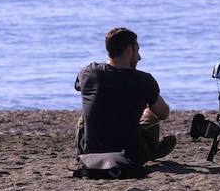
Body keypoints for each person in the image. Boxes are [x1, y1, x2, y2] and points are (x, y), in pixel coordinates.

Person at [74, 27, 176, 165]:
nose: (139, 57)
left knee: (84, 116)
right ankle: (152, 150)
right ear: (129, 50)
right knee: (150, 114)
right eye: (137, 51)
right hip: (129, 155)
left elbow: (81, 88)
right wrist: (145, 98)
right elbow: (163, 113)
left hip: (89, 153)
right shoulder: (143, 80)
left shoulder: (88, 72)